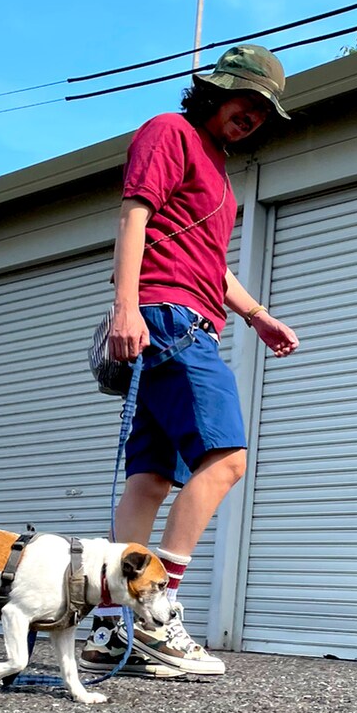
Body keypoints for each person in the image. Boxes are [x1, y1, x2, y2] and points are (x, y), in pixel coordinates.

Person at [79, 44, 299, 679]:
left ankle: (111, 627)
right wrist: (126, 308)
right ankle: (156, 613)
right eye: (246, 101)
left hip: (182, 318)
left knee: (150, 479)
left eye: (264, 111)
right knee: (227, 460)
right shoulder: (169, 131)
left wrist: (257, 315)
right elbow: (134, 215)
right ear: (217, 92)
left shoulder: (221, 175)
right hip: (169, 319)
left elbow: (211, 265)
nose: (253, 116)